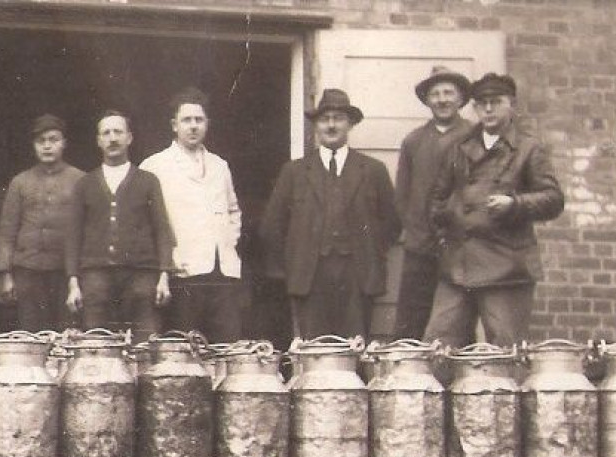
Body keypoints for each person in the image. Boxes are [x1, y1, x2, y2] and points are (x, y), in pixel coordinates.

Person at [423, 72, 565, 349]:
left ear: (511, 104)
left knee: (505, 349)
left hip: (506, 267)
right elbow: (437, 199)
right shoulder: (459, 147)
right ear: (474, 107)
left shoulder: (528, 148)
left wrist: (516, 204)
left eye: (495, 102)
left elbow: (553, 199)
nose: (488, 109)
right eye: (481, 103)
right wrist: (445, 234)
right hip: (458, 266)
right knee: (438, 346)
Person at [260, 89, 399, 340]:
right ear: (315, 126)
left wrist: (369, 252)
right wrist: (293, 265)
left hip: (358, 275)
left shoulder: (373, 170)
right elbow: (273, 225)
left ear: (350, 124)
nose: (331, 125)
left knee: (355, 347)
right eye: (325, 119)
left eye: (339, 118)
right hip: (309, 276)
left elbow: (392, 223)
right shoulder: (295, 172)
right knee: (315, 348)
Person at [139, 88, 244, 343]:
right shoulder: (155, 166)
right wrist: (167, 261)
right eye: (187, 120)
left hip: (222, 273)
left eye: (199, 120)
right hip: (182, 273)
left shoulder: (220, 165)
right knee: (185, 347)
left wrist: (228, 242)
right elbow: (144, 223)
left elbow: (233, 210)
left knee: (225, 346)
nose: (193, 126)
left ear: (207, 124)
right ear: (174, 125)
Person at [65, 110, 175, 341]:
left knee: (146, 342)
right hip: (96, 276)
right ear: (98, 140)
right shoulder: (84, 184)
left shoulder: (148, 181)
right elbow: (73, 236)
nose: (112, 138)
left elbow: (162, 230)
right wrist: (73, 283)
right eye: (106, 133)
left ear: (129, 138)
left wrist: (164, 275)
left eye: (118, 131)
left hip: (142, 276)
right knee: (96, 343)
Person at [394, 66, 473, 340]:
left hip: (462, 246)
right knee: (411, 319)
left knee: (459, 320)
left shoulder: (475, 137)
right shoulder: (413, 141)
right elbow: (402, 196)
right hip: (420, 246)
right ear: (427, 100)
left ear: (461, 98)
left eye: (448, 92)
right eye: (435, 93)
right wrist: (416, 232)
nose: (442, 99)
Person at [0, 114, 85, 331]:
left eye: (53, 139)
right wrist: (6, 275)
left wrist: (79, 278)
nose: (47, 146)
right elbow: (7, 231)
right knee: (31, 332)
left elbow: (88, 231)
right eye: (40, 141)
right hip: (27, 271)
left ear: (64, 143)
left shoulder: (80, 180)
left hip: (65, 273)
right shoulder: (20, 182)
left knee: (66, 333)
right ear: (34, 145)